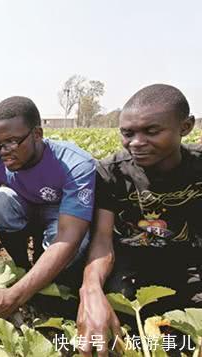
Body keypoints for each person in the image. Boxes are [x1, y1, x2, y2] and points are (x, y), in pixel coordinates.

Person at [76, 84, 202, 356]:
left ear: (186, 126)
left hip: (188, 263)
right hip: (130, 265)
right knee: (115, 334)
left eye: (152, 131)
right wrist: (91, 289)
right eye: (127, 133)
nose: (136, 142)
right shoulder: (111, 173)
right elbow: (102, 240)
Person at [0, 96, 96, 328]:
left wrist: (13, 296)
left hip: (60, 218)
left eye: (12, 142)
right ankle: (22, 266)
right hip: (25, 211)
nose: (4, 152)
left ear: (37, 134)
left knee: (77, 245)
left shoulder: (75, 165)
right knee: (0, 200)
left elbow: (68, 238)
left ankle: (44, 281)